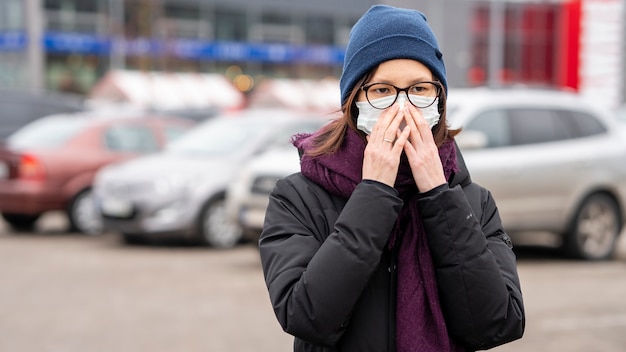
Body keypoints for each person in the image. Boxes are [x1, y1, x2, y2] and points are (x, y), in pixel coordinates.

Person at [258, 4, 525, 352]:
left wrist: (438, 195)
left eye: (419, 89)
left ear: (439, 99)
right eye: (382, 90)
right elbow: (307, 316)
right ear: (354, 101)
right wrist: (373, 193)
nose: (403, 107)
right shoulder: (298, 197)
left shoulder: (473, 201)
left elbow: (496, 323)